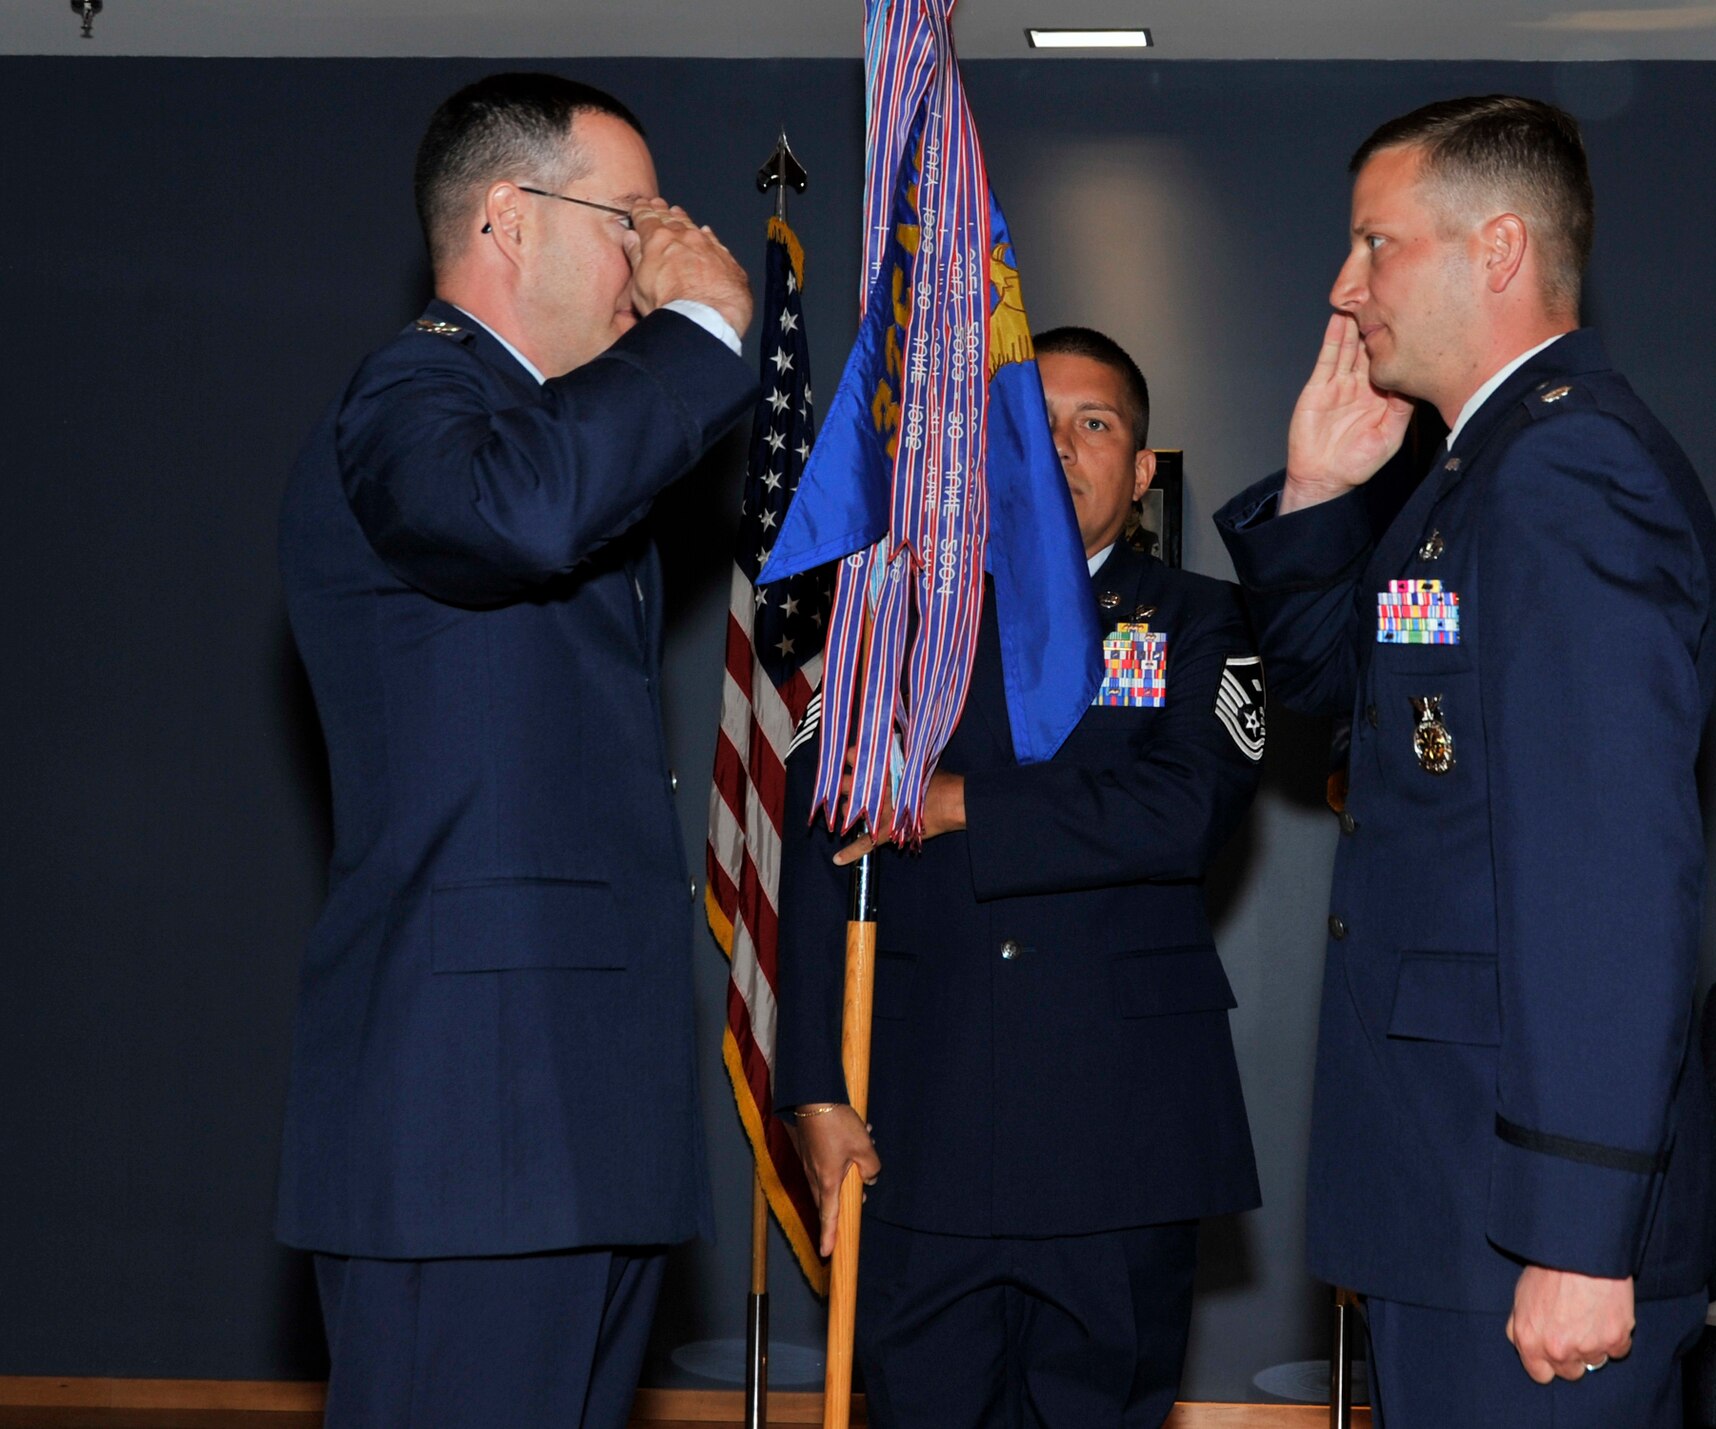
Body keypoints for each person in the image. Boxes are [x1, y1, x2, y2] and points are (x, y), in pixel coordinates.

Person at [1215, 96, 1716, 1426]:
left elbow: (1607, 873)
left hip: (1524, 1223)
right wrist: (1318, 497)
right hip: (1449, 1198)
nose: (1344, 287)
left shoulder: (1568, 470)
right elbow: (1339, 697)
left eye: (1374, 244)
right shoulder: (1472, 478)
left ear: (1497, 249)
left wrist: (1578, 1232)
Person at [275, 72, 755, 1429]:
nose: (656, 255)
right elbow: (516, 513)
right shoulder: (412, 394)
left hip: (565, 1117)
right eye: (631, 219)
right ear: (508, 217)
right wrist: (706, 327)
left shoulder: (538, 431)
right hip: (471, 1123)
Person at [776, 328, 1265, 1427]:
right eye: (1031, 426)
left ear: (1141, 468)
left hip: (1119, 1134)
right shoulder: (896, 629)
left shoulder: (1200, 620)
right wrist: (811, 1087)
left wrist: (960, 803)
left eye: (1094, 424)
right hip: (921, 1126)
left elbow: (1182, 812)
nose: (1062, 447)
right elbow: (815, 859)